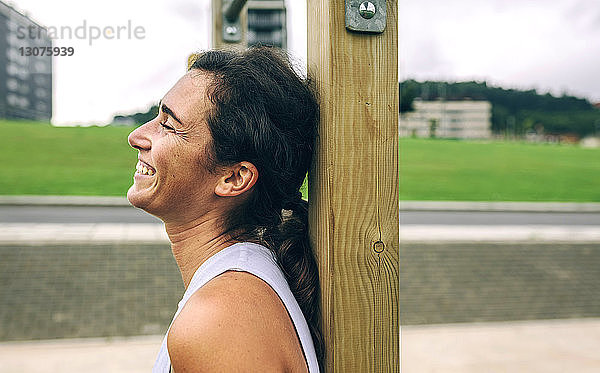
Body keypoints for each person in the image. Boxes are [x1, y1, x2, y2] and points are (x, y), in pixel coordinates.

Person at [126, 47, 323, 372]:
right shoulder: (236, 292)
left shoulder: (219, 318)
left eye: (169, 126)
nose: (137, 136)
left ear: (234, 177)